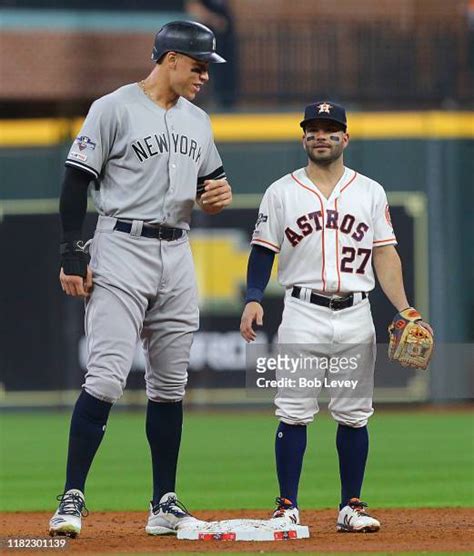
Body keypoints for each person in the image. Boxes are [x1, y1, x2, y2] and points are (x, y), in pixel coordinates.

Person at [49, 20, 232, 538]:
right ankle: (72, 497)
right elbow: (75, 181)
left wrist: (216, 195)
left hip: (177, 251)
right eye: (198, 67)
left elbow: (211, 184)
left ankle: (164, 503)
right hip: (121, 244)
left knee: (171, 385)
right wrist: (71, 251)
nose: (204, 77)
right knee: (105, 376)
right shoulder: (114, 107)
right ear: (170, 59)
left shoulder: (199, 121)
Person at [240, 101, 432, 532]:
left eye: (330, 129)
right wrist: (254, 296)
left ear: (345, 138)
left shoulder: (370, 191)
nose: (320, 136)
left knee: (354, 413)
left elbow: (384, 253)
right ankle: (287, 504)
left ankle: (351, 506)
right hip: (302, 311)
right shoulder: (281, 191)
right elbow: (262, 251)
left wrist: (405, 308)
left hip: (355, 312)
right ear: (303, 137)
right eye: (313, 129)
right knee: (293, 410)